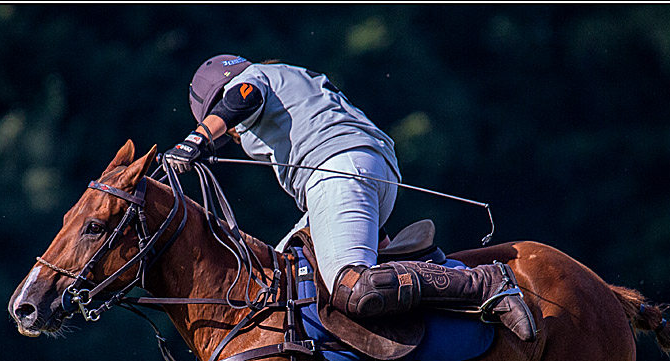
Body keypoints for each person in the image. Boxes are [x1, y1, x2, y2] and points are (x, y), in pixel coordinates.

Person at [164, 55, 534, 340]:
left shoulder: (250, 81)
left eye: (226, 126)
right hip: (369, 171)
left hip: (339, 171)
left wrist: (196, 139)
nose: (234, 136)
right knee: (275, 285)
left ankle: (484, 283)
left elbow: (243, 98)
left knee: (351, 285)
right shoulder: (291, 77)